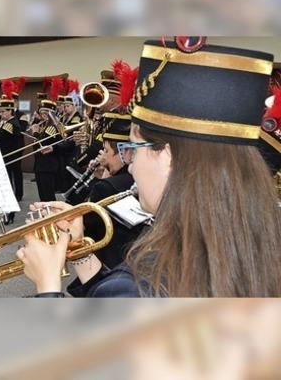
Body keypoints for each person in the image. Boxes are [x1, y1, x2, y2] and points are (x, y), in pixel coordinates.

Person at [18, 39, 281, 297]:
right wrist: (82, 253)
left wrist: (48, 286)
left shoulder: (140, 283)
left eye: (133, 148)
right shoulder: (250, 246)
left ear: (167, 155)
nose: (130, 167)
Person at [81, 113, 144, 269]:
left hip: (107, 267)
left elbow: (86, 223)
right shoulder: (141, 181)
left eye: (107, 152)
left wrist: (102, 180)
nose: (104, 159)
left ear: (125, 153)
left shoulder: (106, 187)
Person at [0, 81, 23, 224]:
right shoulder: (6, 122)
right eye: (0, 111)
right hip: (3, 157)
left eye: (3, 111)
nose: (1, 114)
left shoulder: (11, 123)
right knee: (3, 187)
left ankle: (10, 215)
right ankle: (2, 213)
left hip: (10, 158)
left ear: (10, 111)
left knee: (8, 187)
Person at [29, 78, 62, 202]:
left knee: (48, 197)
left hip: (48, 166)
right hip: (40, 165)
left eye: (46, 114)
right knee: (42, 196)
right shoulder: (43, 126)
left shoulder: (52, 127)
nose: (43, 116)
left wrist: (35, 133)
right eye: (42, 114)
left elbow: (42, 143)